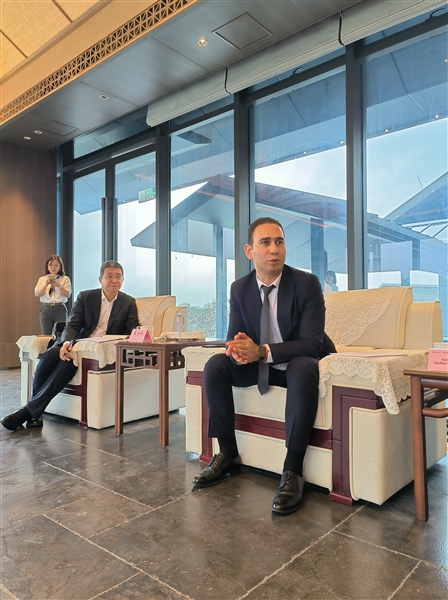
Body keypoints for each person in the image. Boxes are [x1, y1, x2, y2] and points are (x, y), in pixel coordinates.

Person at [192, 217, 335, 515]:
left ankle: (293, 471)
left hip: (297, 365)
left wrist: (260, 351)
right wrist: (238, 351)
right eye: (265, 242)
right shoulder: (239, 288)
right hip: (262, 366)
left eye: (279, 242)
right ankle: (228, 454)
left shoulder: (306, 283)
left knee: (302, 366)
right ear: (249, 251)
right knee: (216, 365)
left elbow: (313, 343)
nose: (274, 249)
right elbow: (235, 336)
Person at [2, 261, 139, 431]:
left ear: (122, 280)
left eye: (118, 276)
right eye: (109, 276)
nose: (114, 280)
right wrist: (67, 342)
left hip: (96, 350)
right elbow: (73, 324)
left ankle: (30, 413)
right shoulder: (86, 297)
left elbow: (132, 330)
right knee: (50, 355)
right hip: (76, 343)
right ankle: (34, 412)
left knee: (68, 363)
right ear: (100, 279)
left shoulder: (128, 302)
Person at [34, 255, 72, 334]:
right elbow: (37, 294)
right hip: (46, 309)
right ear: (47, 267)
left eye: (56, 265)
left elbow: (67, 294)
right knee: (46, 335)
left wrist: (59, 285)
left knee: (60, 334)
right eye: (51, 265)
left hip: (60, 308)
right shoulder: (42, 279)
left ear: (60, 267)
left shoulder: (65, 279)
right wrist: (46, 284)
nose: (53, 267)